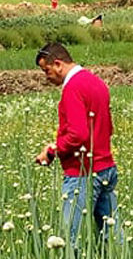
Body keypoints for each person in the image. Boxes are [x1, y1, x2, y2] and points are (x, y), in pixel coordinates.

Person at [34, 42, 118, 243]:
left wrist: (53, 151)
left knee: (69, 239)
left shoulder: (72, 88)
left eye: (46, 70)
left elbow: (78, 134)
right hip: (106, 167)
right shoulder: (96, 82)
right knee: (113, 235)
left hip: (82, 173)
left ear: (58, 64)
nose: (46, 77)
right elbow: (107, 127)